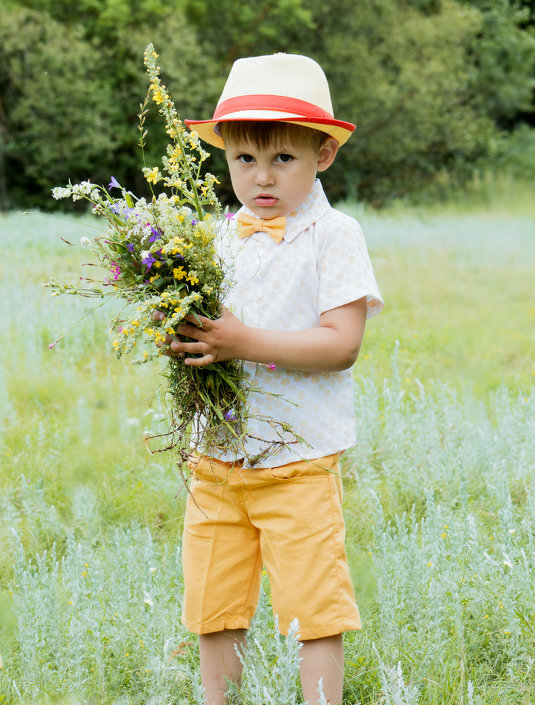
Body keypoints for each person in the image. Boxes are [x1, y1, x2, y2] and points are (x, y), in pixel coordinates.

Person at [157, 52, 384, 705]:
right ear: (224, 157)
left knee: (313, 607)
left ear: (323, 155)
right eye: (243, 159)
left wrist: (241, 342)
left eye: (282, 158)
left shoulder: (333, 235)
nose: (260, 177)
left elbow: (341, 344)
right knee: (213, 603)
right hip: (216, 459)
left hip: (296, 461)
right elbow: (207, 330)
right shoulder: (216, 235)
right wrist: (182, 338)